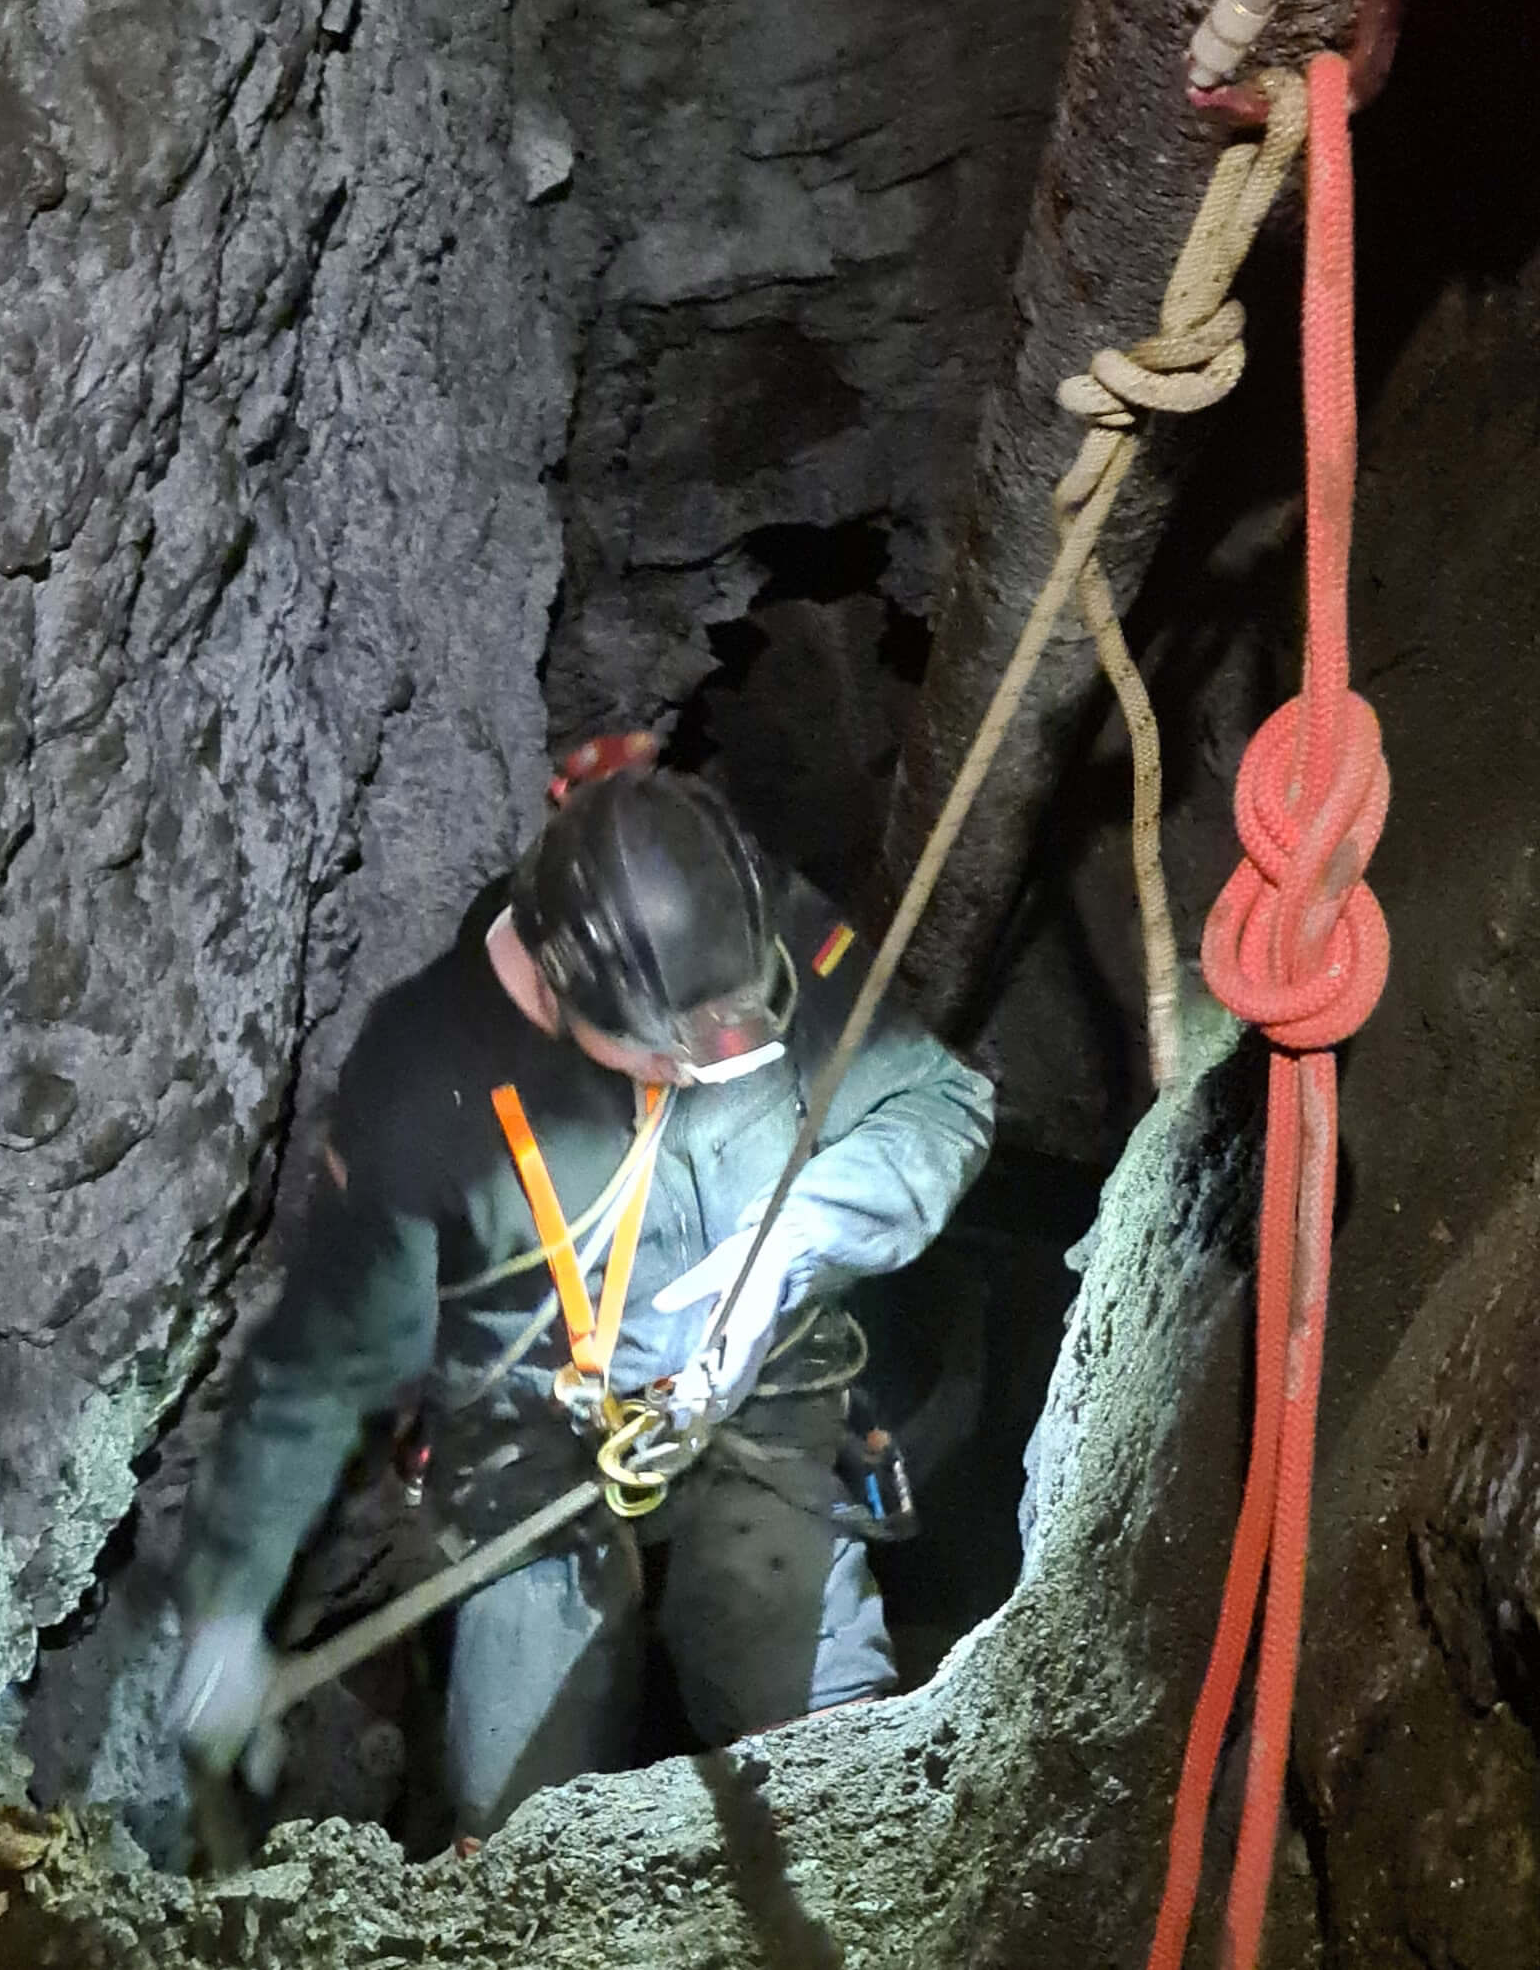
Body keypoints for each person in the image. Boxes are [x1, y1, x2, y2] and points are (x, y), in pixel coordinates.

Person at [168, 757, 993, 1836]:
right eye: (671, 1047)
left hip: (759, 1410)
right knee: (516, 1847)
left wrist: (804, 1231)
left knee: (840, 1783)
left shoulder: (749, 935)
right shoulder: (423, 1099)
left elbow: (940, 1106)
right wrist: (229, 1609)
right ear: (561, 991)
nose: (715, 1062)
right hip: (531, 1463)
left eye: (734, 1030)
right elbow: (315, 1374)